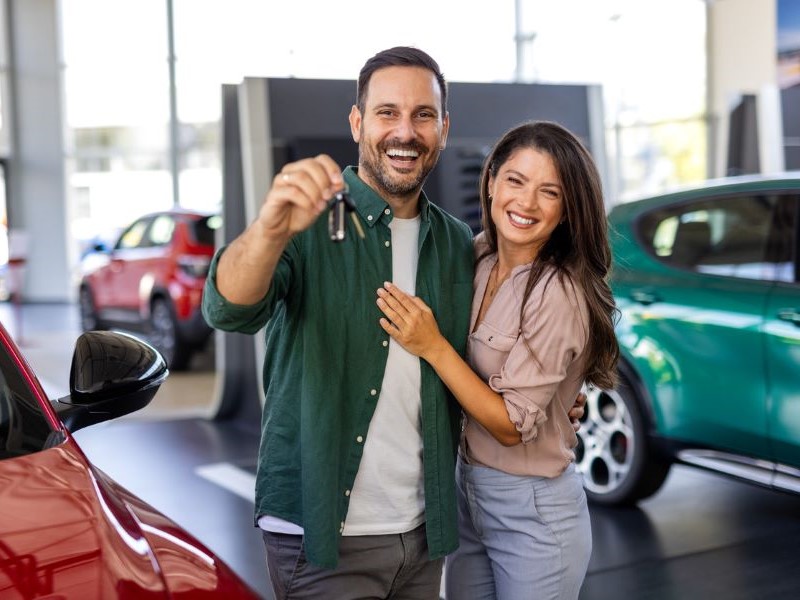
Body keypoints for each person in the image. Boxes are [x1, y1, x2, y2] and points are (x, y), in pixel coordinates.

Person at [202, 47, 585, 599]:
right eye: (387, 113)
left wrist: (560, 396)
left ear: (443, 129)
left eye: (423, 115)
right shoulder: (308, 225)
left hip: (427, 531)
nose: (405, 132)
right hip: (322, 533)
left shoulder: (458, 243)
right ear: (357, 122)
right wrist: (269, 228)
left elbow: (499, 345)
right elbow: (228, 310)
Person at [375, 120, 619, 599]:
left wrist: (433, 346)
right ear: (491, 182)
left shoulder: (557, 291)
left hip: (534, 512)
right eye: (516, 181)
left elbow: (510, 426)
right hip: (467, 492)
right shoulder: (477, 256)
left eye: (550, 192)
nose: (526, 203)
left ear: (568, 209)